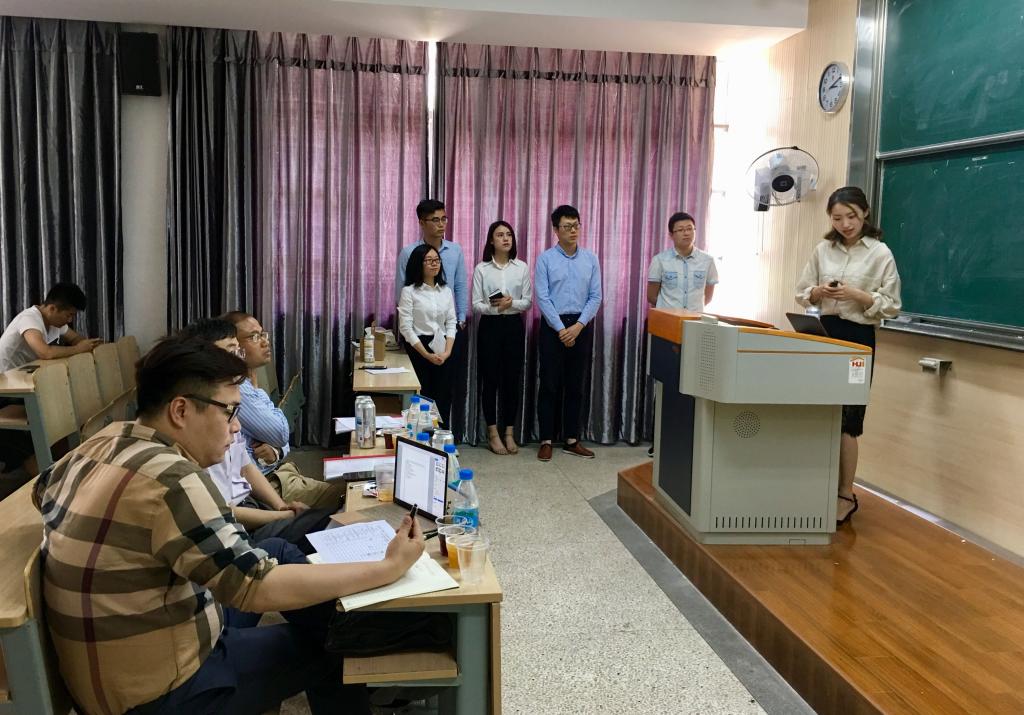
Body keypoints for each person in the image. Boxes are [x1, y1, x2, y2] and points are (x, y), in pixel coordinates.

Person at [32, 335, 425, 714]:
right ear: (181, 411)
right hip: (160, 693)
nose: (237, 428)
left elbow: (39, 491)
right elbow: (256, 588)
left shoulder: (99, 442)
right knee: (330, 648)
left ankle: (371, 632)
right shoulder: (173, 480)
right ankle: (386, 638)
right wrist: (386, 568)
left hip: (129, 655)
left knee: (274, 550)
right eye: (229, 412)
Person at [181, 318, 336, 552]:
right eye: (231, 352)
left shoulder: (233, 394)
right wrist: (281, 515)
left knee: (334, 519)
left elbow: (246, 466)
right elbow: (219, 512)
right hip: (239, 521)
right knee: (333, 521)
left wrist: (281, 507)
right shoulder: (205, 418)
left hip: (254, 502)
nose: (238, 359)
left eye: (238, 352)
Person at [796, 186, 902, 525]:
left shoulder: (880, 253)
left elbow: (893, 305)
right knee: (818, 413)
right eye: (837, 218)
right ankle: (815, 486)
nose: (845, 224)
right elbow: (802, 292)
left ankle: (845, 494)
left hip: (857, 337)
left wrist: (858, 295)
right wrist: (818, 291)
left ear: (865, 213)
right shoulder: (823, 250)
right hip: (823, 333)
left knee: (848, 421)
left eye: (851, 216)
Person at [222, 310, 345, 510]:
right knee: (349, 497)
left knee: (353, 493)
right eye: (254, 337)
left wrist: (277, 450)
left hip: (278, 472)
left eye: (263, 334)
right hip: (267, 484)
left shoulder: (248, 383)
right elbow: (281, 432)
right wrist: (278, 442)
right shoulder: (237, 388)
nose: (265, 342)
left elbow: (281, 439)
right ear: (234, 348)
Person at [0, 282, 102, 475]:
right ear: (53, 308)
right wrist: (77, 349)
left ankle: (58, 460)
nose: (69, 320)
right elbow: (44, 352)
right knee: (49, 415)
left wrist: (87, 345)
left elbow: (76, 340)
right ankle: (41, 472)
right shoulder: (30, 319)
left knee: (63, 407)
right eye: (68, 315)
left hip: (24, 382)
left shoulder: (55, 324)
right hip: (6, 387)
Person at [646, 211, 719, 456]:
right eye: (681, 229)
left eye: (690, 228)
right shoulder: (660, 260)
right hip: (667, 331)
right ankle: (659, 440)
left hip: (697, 330)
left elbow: (707, 296)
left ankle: (688, 440)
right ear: (671, 234)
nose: (686, 233)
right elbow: (652, 296)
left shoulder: (707, 261)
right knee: (666, 385)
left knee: (694, 384)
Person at [534, 204, 602, 462]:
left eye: (576, 225)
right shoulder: (546, 259)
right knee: (549, 384)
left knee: (576, 385)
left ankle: (572, 439)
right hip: (553, 327)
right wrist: (562, 329)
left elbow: (596, 296)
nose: (573, 231)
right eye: (567, 226)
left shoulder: (591, 259)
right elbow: (543, 297)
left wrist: (579, 326)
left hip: (581, 326)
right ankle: (546, 439)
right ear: (556, 230)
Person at [395, 199, 468, 427]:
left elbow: (460, 285)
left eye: (444, 218)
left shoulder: (455, 251)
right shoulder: (409, 253)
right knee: (421, 392)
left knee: (446, 390)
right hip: (418, 333)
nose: (441, 224)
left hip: (448, 332)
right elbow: (402, 291)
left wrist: (460, 321)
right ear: (422, 222)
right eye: (435, 220)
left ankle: (442, 435)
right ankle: (421, 437)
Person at [472, 220, 533, 454]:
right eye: (500, 235)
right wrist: (495, 307)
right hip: (490, 326)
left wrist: (511, 303)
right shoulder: (482, 269)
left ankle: (509, 432)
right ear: (491, 240)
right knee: (490, 380)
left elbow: (527, 301)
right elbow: (476, 304)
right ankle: (492, 433)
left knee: (512, 380)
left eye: (509, 234)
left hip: (514, 326)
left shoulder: (521, 267)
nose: (506, 238)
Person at [399, 244, 457, 423]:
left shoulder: (446, 291)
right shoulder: (409, 291)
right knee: (423, 397)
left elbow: (451, 322)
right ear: (418, 264)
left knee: (444, 396)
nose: (434, 264)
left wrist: (447, 352)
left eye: (437, 260)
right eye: (429, 260)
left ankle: (442, 436)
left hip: (443, 347)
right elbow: (406, 328)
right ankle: (423, 438)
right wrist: (426, 355)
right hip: (419, 348)